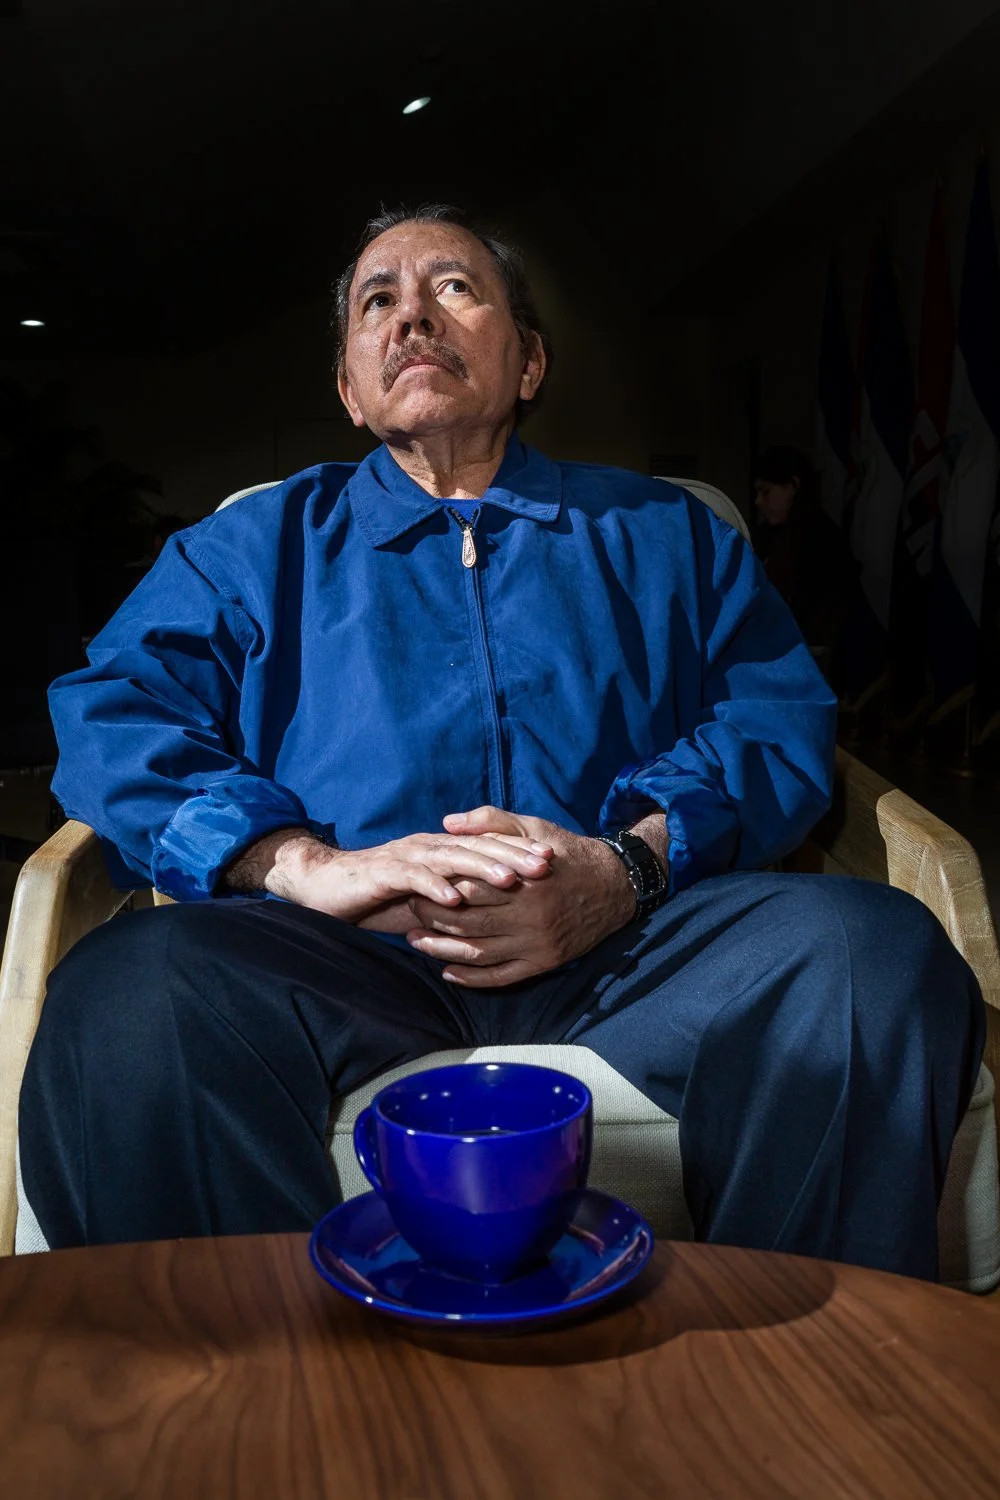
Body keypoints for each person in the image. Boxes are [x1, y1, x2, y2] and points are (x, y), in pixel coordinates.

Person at [19, 206, 983, 1281]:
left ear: (528, 362)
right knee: (127, 998)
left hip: (633, 945)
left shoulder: (667, 534)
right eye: (376, 301)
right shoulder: (247, 548)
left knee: (870, 956)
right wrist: (302, 865)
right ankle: (255, 1414)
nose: (412, 317)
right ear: (350, 389)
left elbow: (774, 721)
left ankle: (795, 1395)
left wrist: (626, 868)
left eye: (454, 288)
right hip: (346, 956)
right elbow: (116, 713)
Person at [751, 446, 858, 691]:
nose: (759, 502)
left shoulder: (825, 541)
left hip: (808, 669)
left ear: (793, 487)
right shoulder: (764, 537)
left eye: (766, 492)